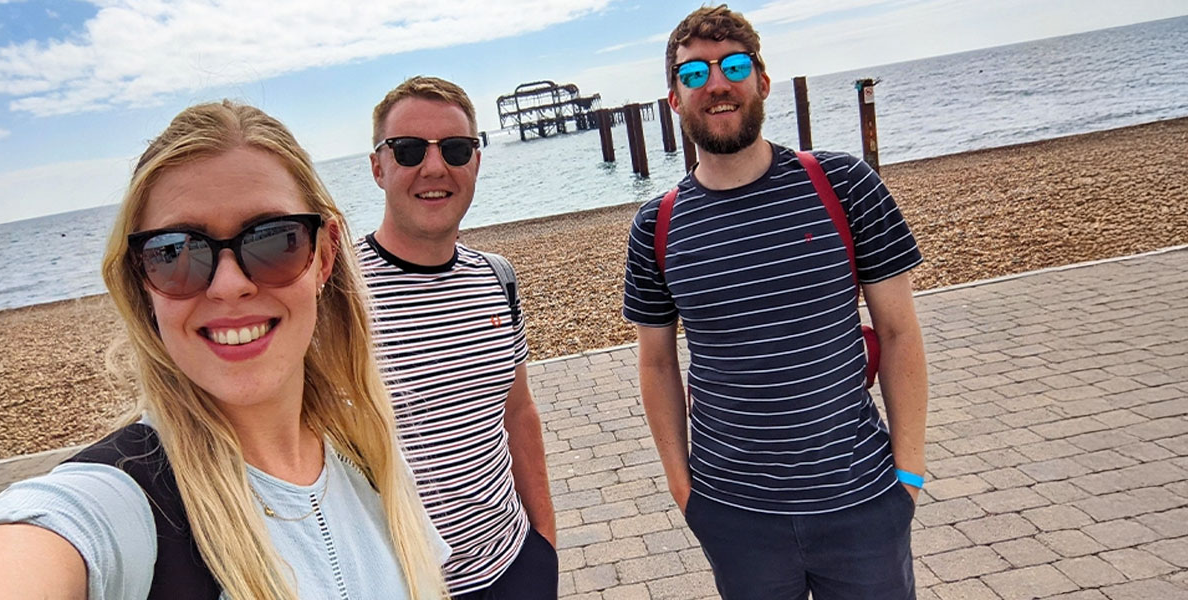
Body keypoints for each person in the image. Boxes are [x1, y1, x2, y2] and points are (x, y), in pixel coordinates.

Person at [0, 100, 449, 600]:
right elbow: (23, 554)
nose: (228, 285)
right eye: (174, 251)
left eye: (273, 239)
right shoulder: (125, 505)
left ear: (324, 255)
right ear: (143, 282)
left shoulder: (367, 449)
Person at [623, 5, 929, 599]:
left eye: (734, 65)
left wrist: (908, 475)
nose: (716, 84)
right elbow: (657, 363)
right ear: (674, 100)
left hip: (863, 499)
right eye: (694, 74)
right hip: (734, 514)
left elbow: (898, 333)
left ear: (762, 81)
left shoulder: (844, 184)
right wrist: (684, 491)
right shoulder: (655, 226)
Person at [358, 76, 558, 599]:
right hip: (403, 586)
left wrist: (545, 542)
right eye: (406, 150)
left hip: (515, 564)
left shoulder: (497, 276)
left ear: (475, 161)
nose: (433, 167)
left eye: (454, 148)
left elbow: (519, 411)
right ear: (378, 166)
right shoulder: (332, 294)